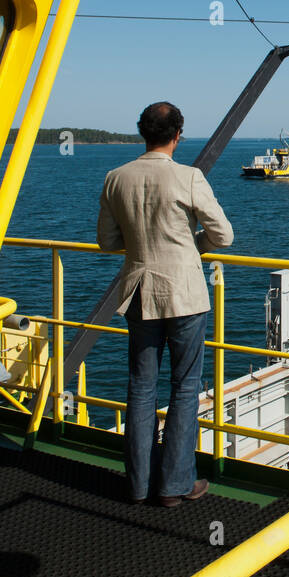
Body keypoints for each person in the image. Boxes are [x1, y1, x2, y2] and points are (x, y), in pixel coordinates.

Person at [96, 102, 234, 507]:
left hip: (138, 291)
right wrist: (193, 246)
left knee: (140, 388)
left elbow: (107, 241)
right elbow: (223, 235)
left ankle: (137, 486)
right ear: (178, 135)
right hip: (185, 294)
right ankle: (174, 486)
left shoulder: (115, 178)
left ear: (143, 133)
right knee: (185, 388)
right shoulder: (188, 177)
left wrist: (143, 246)